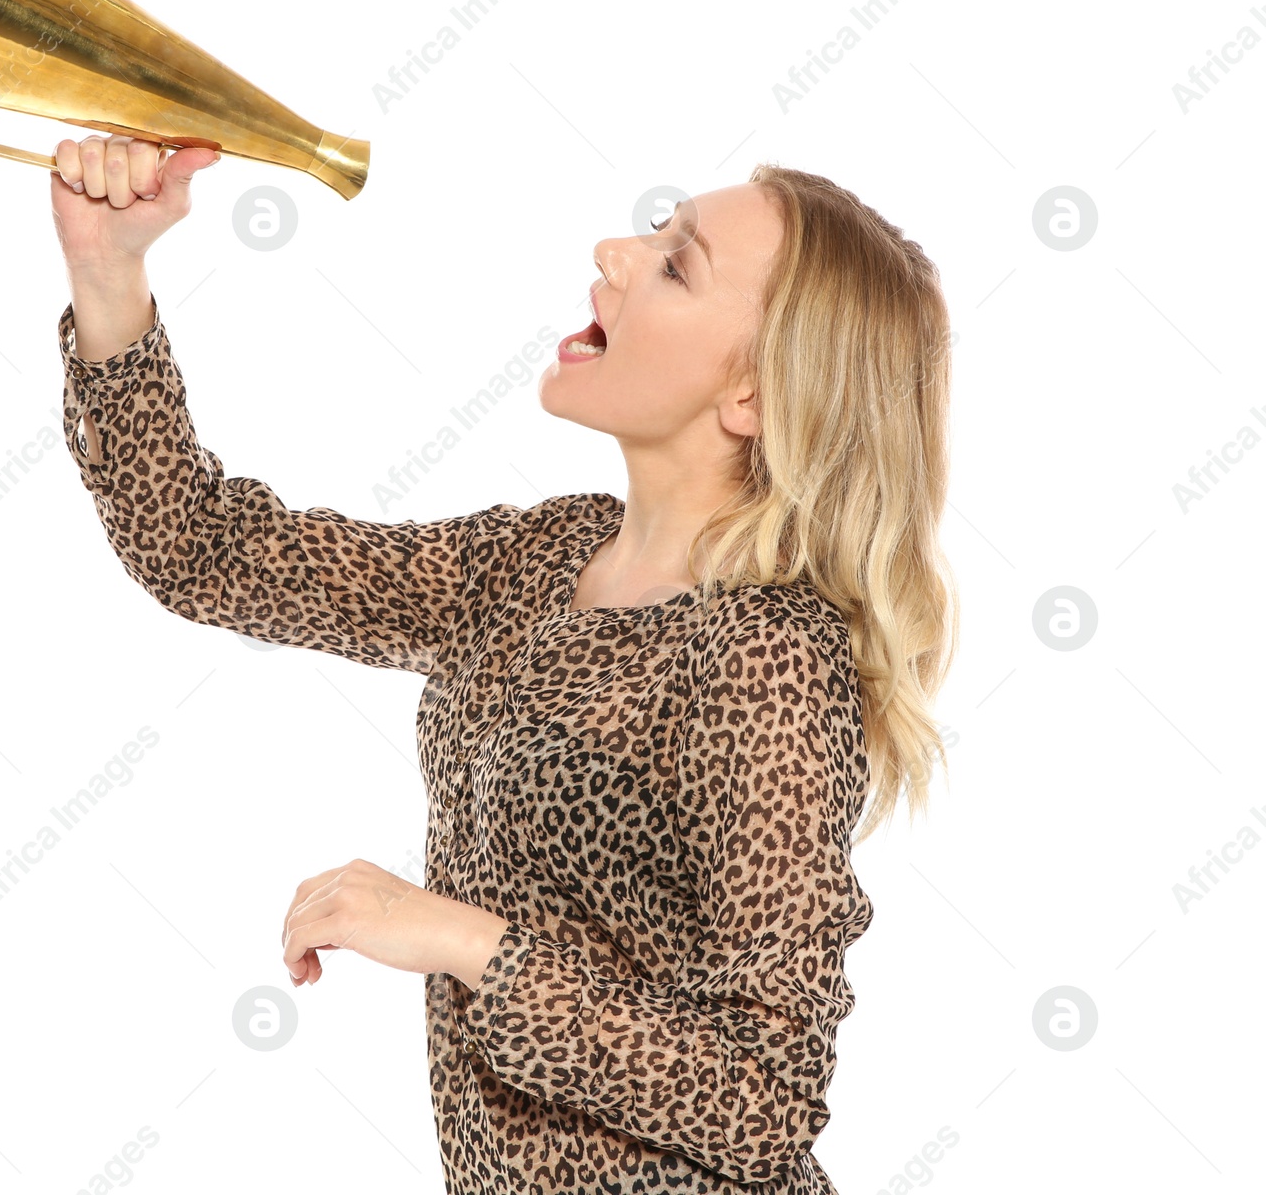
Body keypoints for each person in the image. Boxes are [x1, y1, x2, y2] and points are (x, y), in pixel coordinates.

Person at [49, 132, 957, 1195]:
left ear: (751, 396)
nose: (614, 253)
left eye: (675, 263)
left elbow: (759, 1096)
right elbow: (206, 553)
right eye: (653, 228)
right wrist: (108, 274)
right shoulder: (538, 558)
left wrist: (458, 938)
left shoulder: (765, 653)